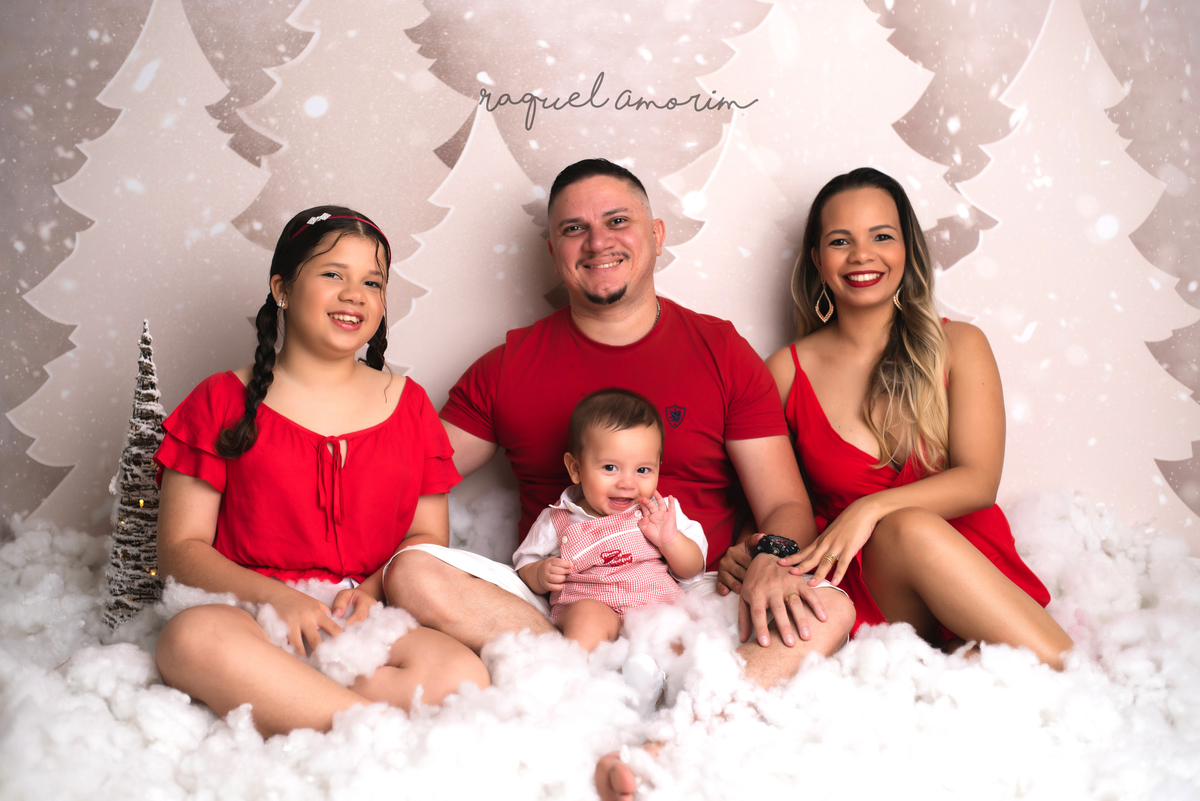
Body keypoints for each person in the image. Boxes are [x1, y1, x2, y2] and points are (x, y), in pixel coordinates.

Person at [383, 158, 854, 685]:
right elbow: (408, 473)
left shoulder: (721, 350)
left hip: (692, 598)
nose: (597, 242)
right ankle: (584, 675)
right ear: (553, 252)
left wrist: (771, 557)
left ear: (656, 236)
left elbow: (785, 504)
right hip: (560, 604)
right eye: (574, 229)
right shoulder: (509, 365)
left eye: (617, 221)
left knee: (830, 608)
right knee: (412, 572)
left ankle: (693, 714)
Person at [153, 206, 489, 737]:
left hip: (357, 614)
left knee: (460, 675)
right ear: (282, 289)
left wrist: (372, 592)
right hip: (249, 609)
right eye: (333, 273)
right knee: (190, 639)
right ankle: (367, 731)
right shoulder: (221, 398)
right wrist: (278, 599)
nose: (355, 294)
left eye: (372, 282)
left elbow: (426, 539)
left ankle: (301, 707)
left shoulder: (409, 405)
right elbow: (180, 549)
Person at [760, 167, 1073, 668]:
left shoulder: (960, 345)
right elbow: (768, 497)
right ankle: (1057, 667)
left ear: (907, 249)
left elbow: (979, 481)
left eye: (881, 236)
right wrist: (756, 550)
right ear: (817, 259)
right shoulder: (785, 371)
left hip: (970, 566)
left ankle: (1001, 661)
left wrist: (868, 509)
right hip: (871, 587)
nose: (862, 255)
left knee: (912, 534)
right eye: (840, 241)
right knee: (905, 529)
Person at [514, 388, 707, 651]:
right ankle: (582, 670)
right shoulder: (559, 517)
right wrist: (540, 573)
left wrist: (670, 541)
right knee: (587, 619)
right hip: (592, 605)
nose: (627, 483)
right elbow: (524, 562)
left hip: (653, 609)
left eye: (642, 470)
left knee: (677, 633)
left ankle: (655, 673)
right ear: (576, 469)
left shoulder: (660, 514)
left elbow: (692, 569)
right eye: (610, 468)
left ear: (658, 468)